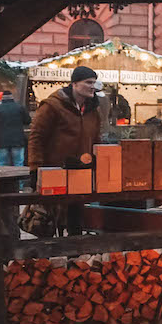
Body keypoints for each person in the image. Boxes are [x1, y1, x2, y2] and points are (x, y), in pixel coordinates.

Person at [28, 66, 103, 232]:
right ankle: (45, 256)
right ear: (75, 84)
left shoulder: (93, 111)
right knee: (47, 219)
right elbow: (36, 137)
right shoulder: (52, 106)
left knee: (76, 217)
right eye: (88, 82)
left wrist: (98, 163)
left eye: (94, 83)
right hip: (54, 169)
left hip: (80, 171)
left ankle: (74, 256)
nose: (93, 86)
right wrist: (35, 167)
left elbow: (96, 139)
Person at [0, 90, 30, 166]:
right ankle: (19, 178)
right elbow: (28, 121)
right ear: (12, 98)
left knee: (2, 164)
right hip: (17, 140)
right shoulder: (20, 108)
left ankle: (3, 178)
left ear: (2, 99)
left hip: (1, 141)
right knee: (18, 163)